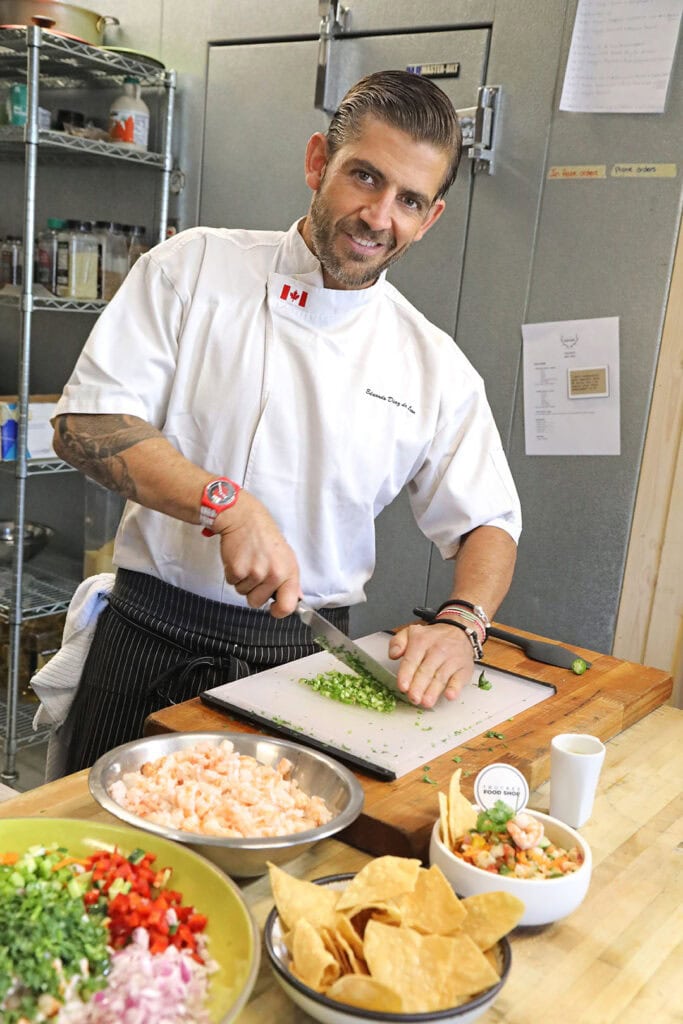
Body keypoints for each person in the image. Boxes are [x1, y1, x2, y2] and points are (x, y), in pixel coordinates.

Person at [51, 70, 521, 773]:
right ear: (315, 163)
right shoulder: (193, 269)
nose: (378, 216)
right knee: (96, 864)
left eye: (408, 200)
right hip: (149, 634)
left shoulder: (434, 366)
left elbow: (488, 522)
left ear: (430, 219)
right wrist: (226, 505)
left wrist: (462, 624)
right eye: (364, 177)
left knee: (270, 878)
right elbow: (84, 425)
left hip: (300, 661)